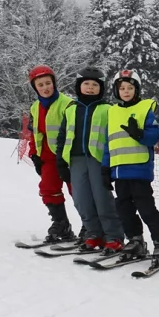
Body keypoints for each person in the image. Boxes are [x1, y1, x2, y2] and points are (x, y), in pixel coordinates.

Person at [103, 69, 159, 266]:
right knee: (123, 209)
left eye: (130, 88)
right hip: (119, 171)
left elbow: (154, 137)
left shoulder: (144, 109)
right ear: (116, 91)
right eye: (122, 88)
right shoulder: (113, 112)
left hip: (139, 170)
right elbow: (109, 143)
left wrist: (138, 133)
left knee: (146, 208)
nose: (126, 91)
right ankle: (135, 240)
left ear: (137, 89)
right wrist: (105, 168)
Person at [55, 67, 125, 254]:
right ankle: (94, 234)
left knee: (102, 199)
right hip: (76, 160)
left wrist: (112, 162)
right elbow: (63, 135)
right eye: (86, 84)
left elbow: (114, 136)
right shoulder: (71, 109)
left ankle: (113, 236)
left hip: (98, 159)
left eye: (95, 85)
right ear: (79, 86)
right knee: (81, 200)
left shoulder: (108, 109)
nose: (90, 88)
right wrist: (60, 160)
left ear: (101, 88)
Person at [26, 64, 77, 244]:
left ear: (54, 83)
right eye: (40, 85)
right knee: (48, 189)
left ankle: (92, 227)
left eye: (48, 83)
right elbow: (34, 133)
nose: (45, 88)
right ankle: (61, 224)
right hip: (47, 158)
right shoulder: (35, 107)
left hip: (68, 158)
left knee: (77, 192)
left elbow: (74, 132)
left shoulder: (67, 104)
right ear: (35, 88)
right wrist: (34, 155)